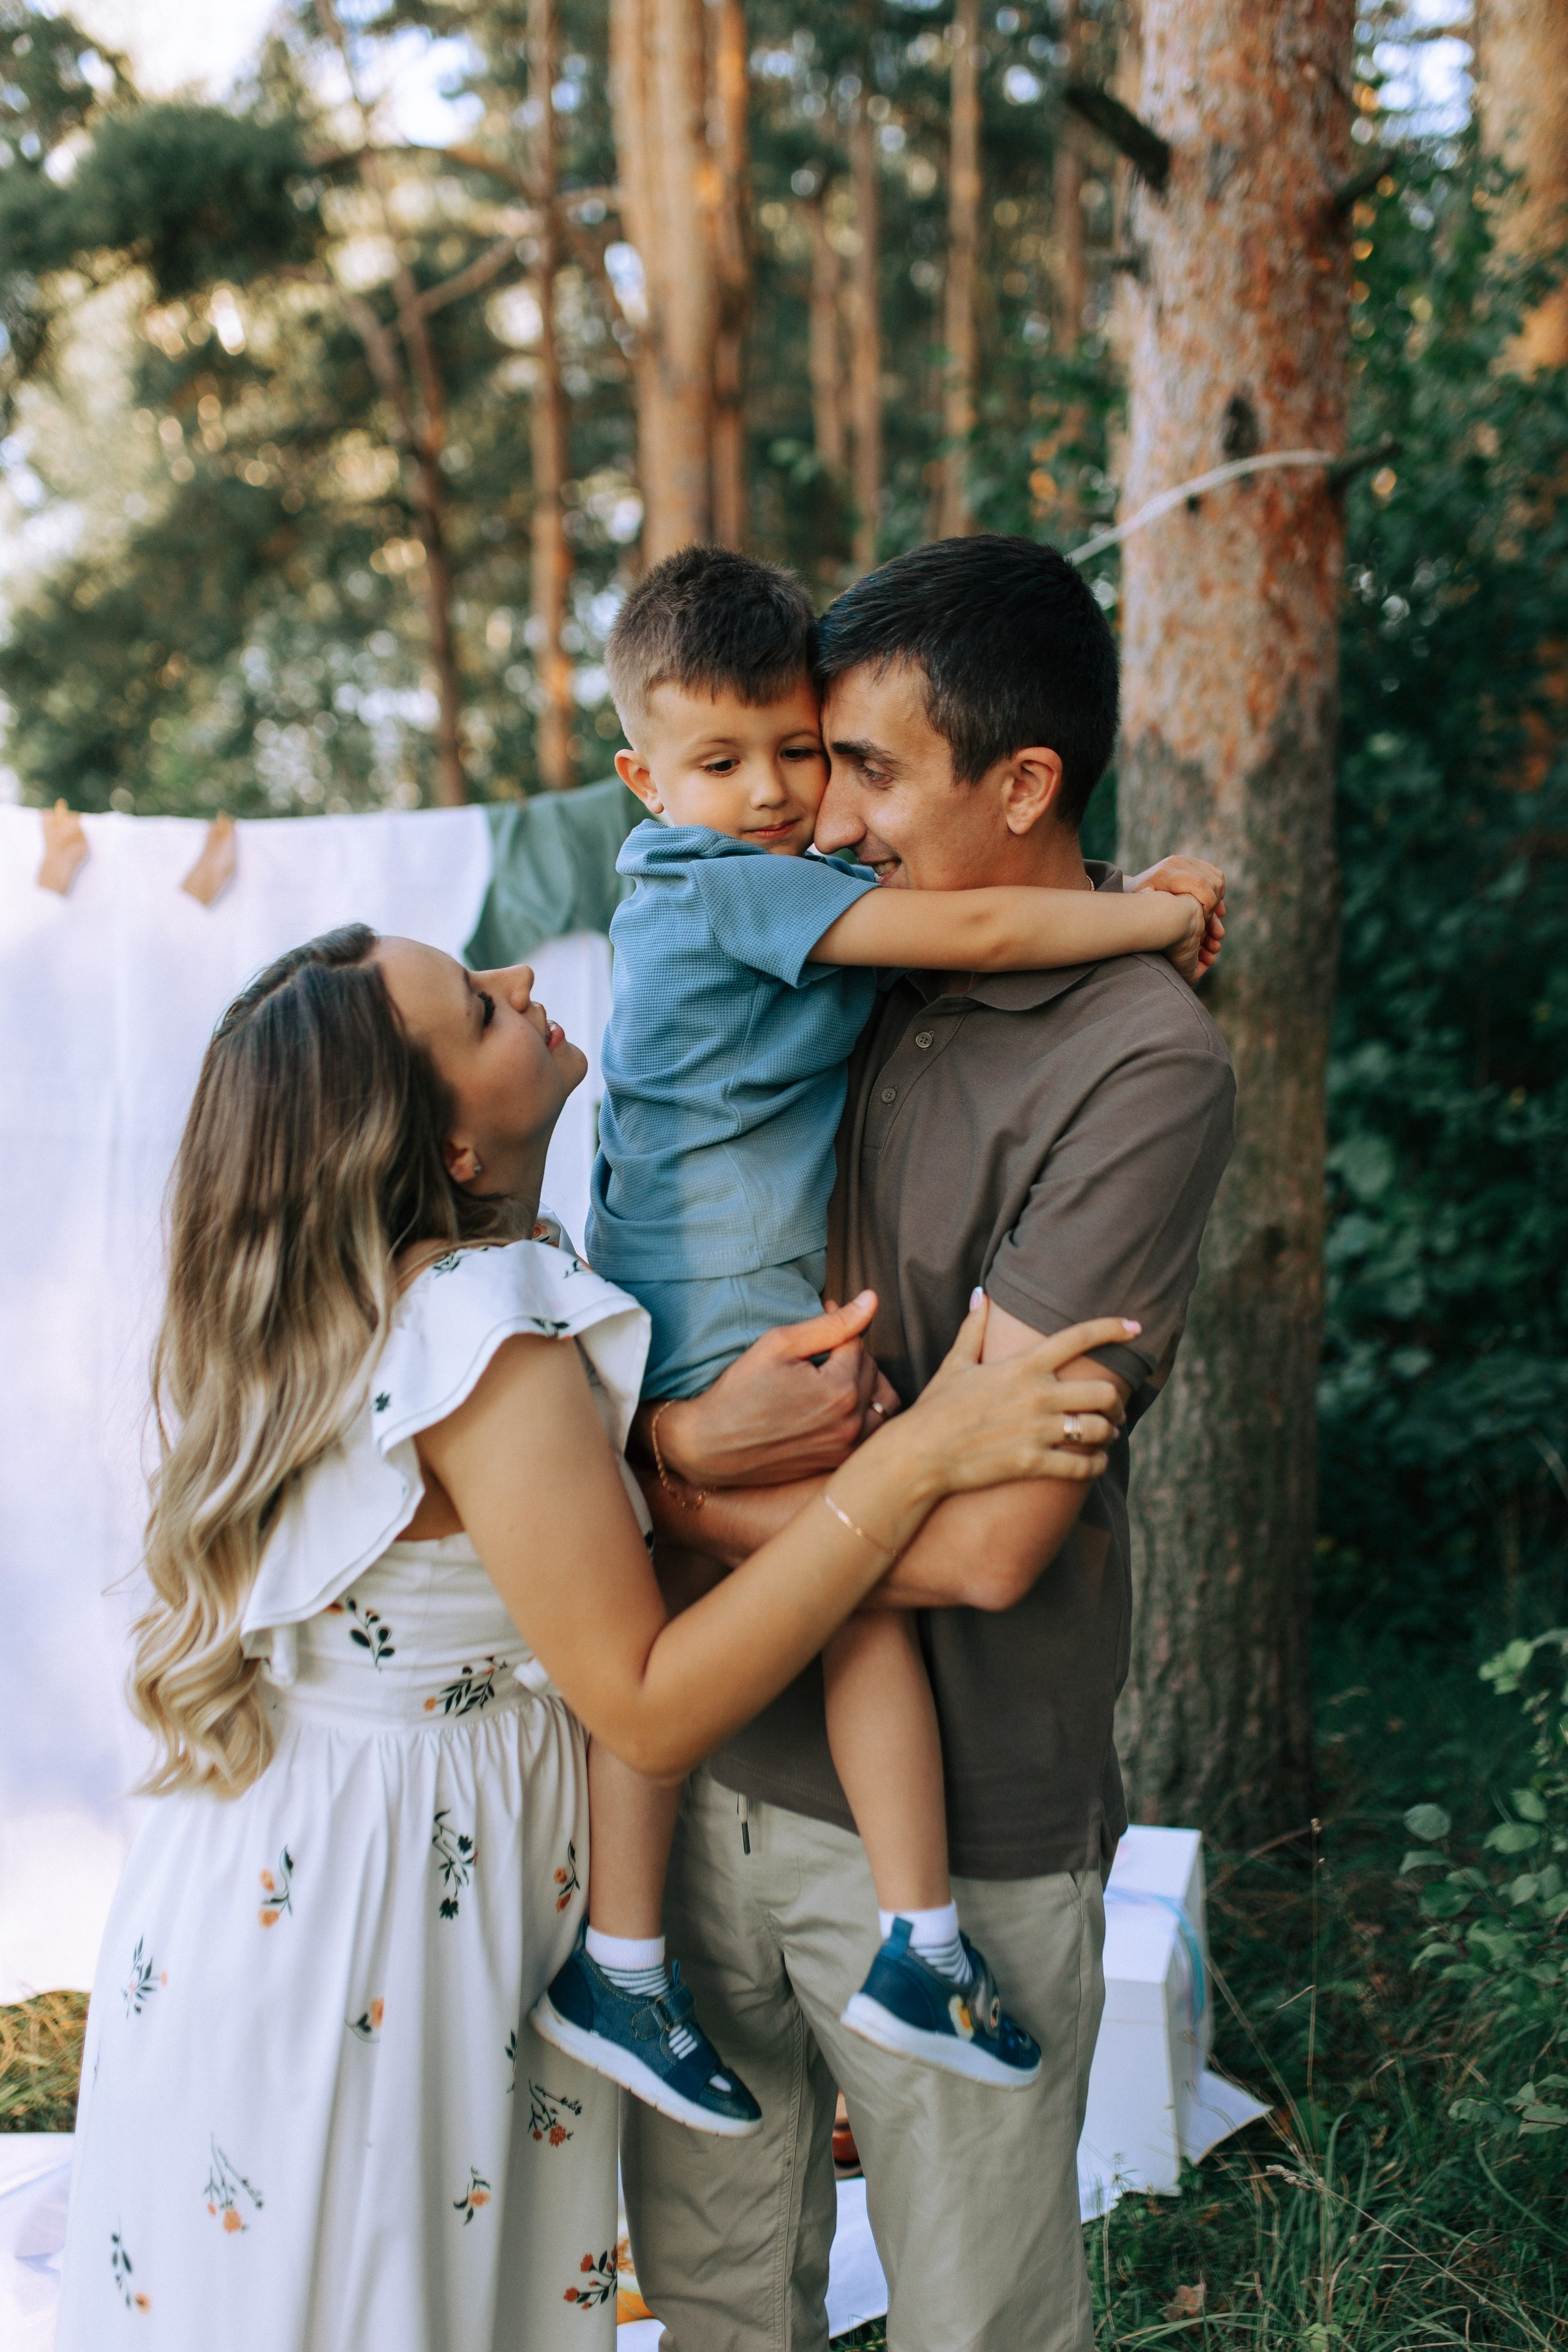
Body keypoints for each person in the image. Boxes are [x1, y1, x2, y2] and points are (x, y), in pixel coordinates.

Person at [53, 919, 1136, 2352]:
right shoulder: (483, 1330)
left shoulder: (330, 1309)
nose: (522, 986)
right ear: (441, 1146)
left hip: (263, 1881)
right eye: (479, 1013)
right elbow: (642, 1704)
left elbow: (514, 1525)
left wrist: (674, 1446)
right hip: (394, 1923)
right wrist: (915, 1454)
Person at [620, 535, 1238, 2352]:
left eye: (863, 768)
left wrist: (659, 1490)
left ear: (1024, 783)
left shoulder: (1139, 1062)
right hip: (716, 1761)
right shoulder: (833, 943)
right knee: (725, 2314)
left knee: (977, 2323)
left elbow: (985, 1548)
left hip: (953, 1840)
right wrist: (676, 1438)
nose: (822, 810)